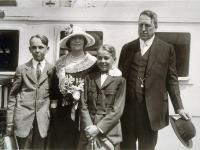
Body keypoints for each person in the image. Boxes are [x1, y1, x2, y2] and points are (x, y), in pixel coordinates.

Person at [118, 10, 191, 150]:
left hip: (151, 111)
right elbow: (119, 80)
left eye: (147, 25)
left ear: (156, 26)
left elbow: (172, 80)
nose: (143, 29)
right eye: (140, 25)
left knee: (147, 147)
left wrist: (179, 107)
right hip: (127, 110)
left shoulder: (166, 49)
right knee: (125, 147)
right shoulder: (127, 48)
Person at [49, 25, 97, 149]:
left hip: (86, 111)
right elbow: (54, 89)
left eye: (80, 38)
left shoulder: (94, 62)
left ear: (85, 41)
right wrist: (53, 110)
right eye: (73, 38)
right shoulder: (60, 62)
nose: (77, 41)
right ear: (68, 42)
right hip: (63, 112)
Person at [6, 34, 54, 149]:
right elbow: (13, 96)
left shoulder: (52, 69)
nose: (37, 51)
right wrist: (9, 122)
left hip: (42, 122)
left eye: (41, 47)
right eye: (34, 47)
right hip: (23, 120)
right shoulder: (22, 69)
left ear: (47, 49)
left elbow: (53, 95)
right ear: (30, 49)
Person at [77, 44, 126, 150]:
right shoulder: (89, 78)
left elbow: (117, 110)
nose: (103, 61)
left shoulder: (120, 81)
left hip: (109, 132)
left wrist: (98, 128)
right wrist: (90, 128)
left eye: (106, 58)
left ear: (114, 59)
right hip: (88, 130)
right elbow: (83, 105)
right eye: (99, 58)